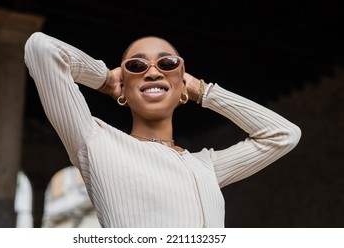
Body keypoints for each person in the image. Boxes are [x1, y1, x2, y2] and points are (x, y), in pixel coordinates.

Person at [24, 32, 301, 228]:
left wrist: (201, 90)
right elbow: (42, 48)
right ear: (123, 90)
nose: (153, 72)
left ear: (182, 90)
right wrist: (105, 80)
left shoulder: (205, 166)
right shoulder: (96, 142)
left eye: (168, 64)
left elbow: (283, 135)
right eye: (136, 66)